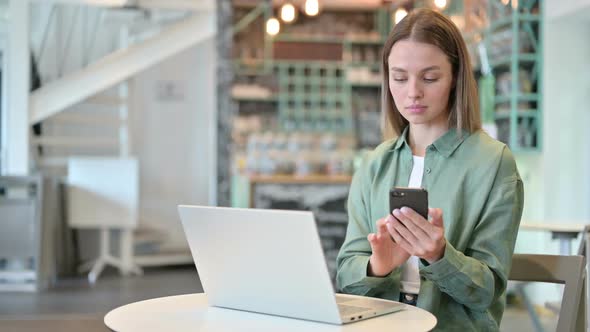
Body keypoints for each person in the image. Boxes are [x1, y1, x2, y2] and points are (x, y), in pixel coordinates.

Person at [336, 8, 524, 331]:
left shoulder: (493, 163)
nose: (412, 92)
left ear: (455, 78)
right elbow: (346, 279)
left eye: (430, 77)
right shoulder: (373, 165)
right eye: (399, 77)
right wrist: (376, 266)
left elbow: (487, 292)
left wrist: (440, 256)